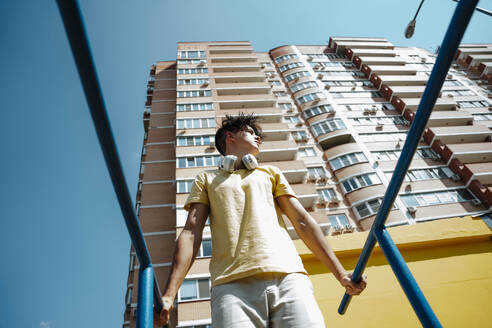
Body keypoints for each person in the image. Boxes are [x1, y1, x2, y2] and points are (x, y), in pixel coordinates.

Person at [154, 113, 367, 327]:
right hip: (230, 286)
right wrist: (170, 294)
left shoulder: (270, 173)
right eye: (250, 132)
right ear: (230, 137)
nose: (257, 138)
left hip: (289, 277)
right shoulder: (207, 179)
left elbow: (301, 221)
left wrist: (341, 275)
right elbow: (191, 233)